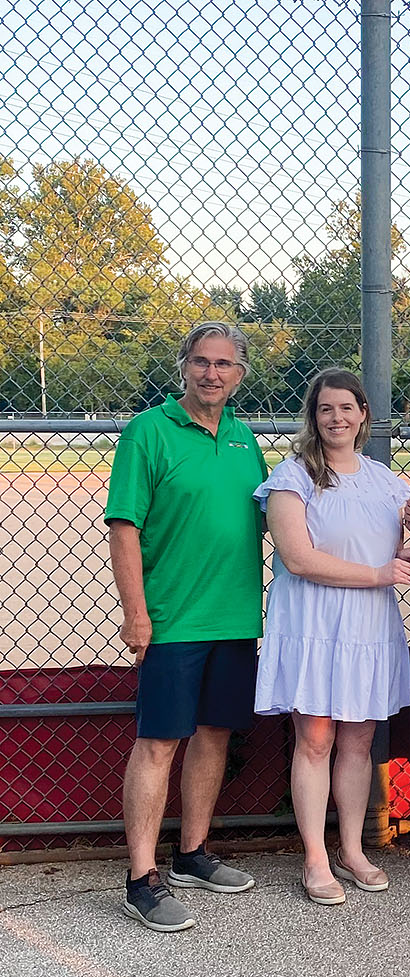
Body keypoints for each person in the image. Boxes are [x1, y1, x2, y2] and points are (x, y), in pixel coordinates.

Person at [105, 323, 267, 932]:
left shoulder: (244, 440)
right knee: (158, 743)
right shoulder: (148, 432)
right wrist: (136, 611)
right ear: (183, 367)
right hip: (171, 619)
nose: (212, 374)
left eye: (224, 364)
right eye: (201, 362)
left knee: (214, 734)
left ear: (240, 374)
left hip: (234, 618)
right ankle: (139, 878)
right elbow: (125, 527)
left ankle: (192, 854)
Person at [254, 369, 410, 905]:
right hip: (314, 624)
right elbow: (299, 559)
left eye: (346, 408)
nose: (337, 418)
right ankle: (315, 859)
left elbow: (401, 553)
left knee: (358, 742)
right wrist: (381, 573)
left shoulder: (387, 482)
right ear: (314, 416)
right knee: (316, 739)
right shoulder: (293, 476)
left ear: (364, 414)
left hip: (368, 626)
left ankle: (352, 849)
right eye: (326, 409)